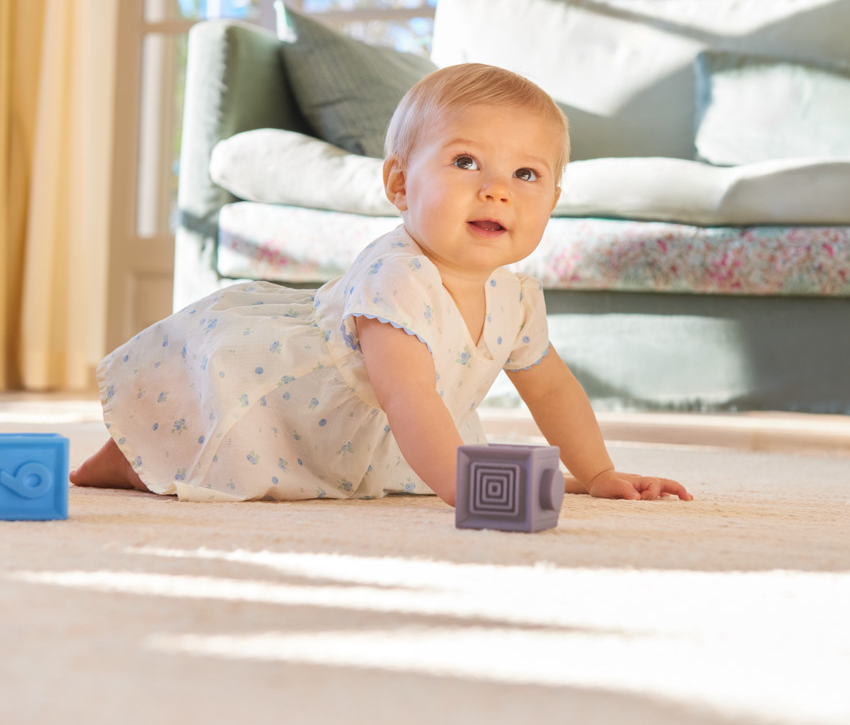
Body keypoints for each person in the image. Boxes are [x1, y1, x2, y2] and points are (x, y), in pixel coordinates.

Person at [71, 63, 692, 506]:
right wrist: (465, 490)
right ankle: (118, 462)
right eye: (465, 162)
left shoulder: (517, 298)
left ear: (553, 201)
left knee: (348, 476)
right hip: (287, 400)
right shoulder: (396, 277)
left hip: (373, 433)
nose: (496, 190)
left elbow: (552, 389)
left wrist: (599, 472)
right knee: (198, 447)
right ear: (399, 184)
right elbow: (408, 396)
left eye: (525, 174)